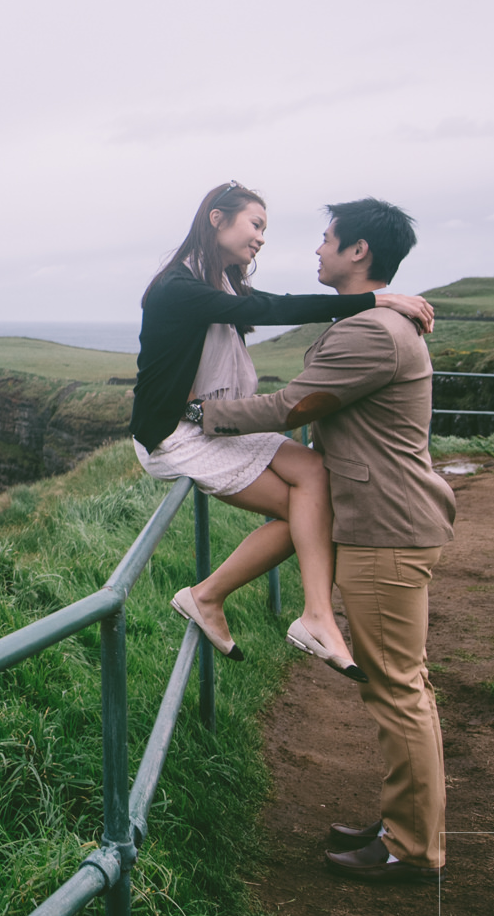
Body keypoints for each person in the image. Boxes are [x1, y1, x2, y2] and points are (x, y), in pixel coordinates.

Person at [201, 197, 456, 885]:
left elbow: (297, 404)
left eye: (325, 240)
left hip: (386, 528)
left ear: (358, 253)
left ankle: (412, 847)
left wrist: (208, 415)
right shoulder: (376, 321)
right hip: (386, 522)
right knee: (402, 682)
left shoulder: (372, 333)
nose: (315, 250)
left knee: (397, 686)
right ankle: (408, 823)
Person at [135, 182, 435, 679]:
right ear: (216, 219)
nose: (261, 239)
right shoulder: (179, 287)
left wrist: (373, 303)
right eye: (255, 225)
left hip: (213, 421)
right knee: (305, 507)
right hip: (177, 433)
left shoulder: (221, 282)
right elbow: (268, 310)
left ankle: (311, 615)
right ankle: (213, 597)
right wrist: (374, 300)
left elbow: (260, 303)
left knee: (317, 476)